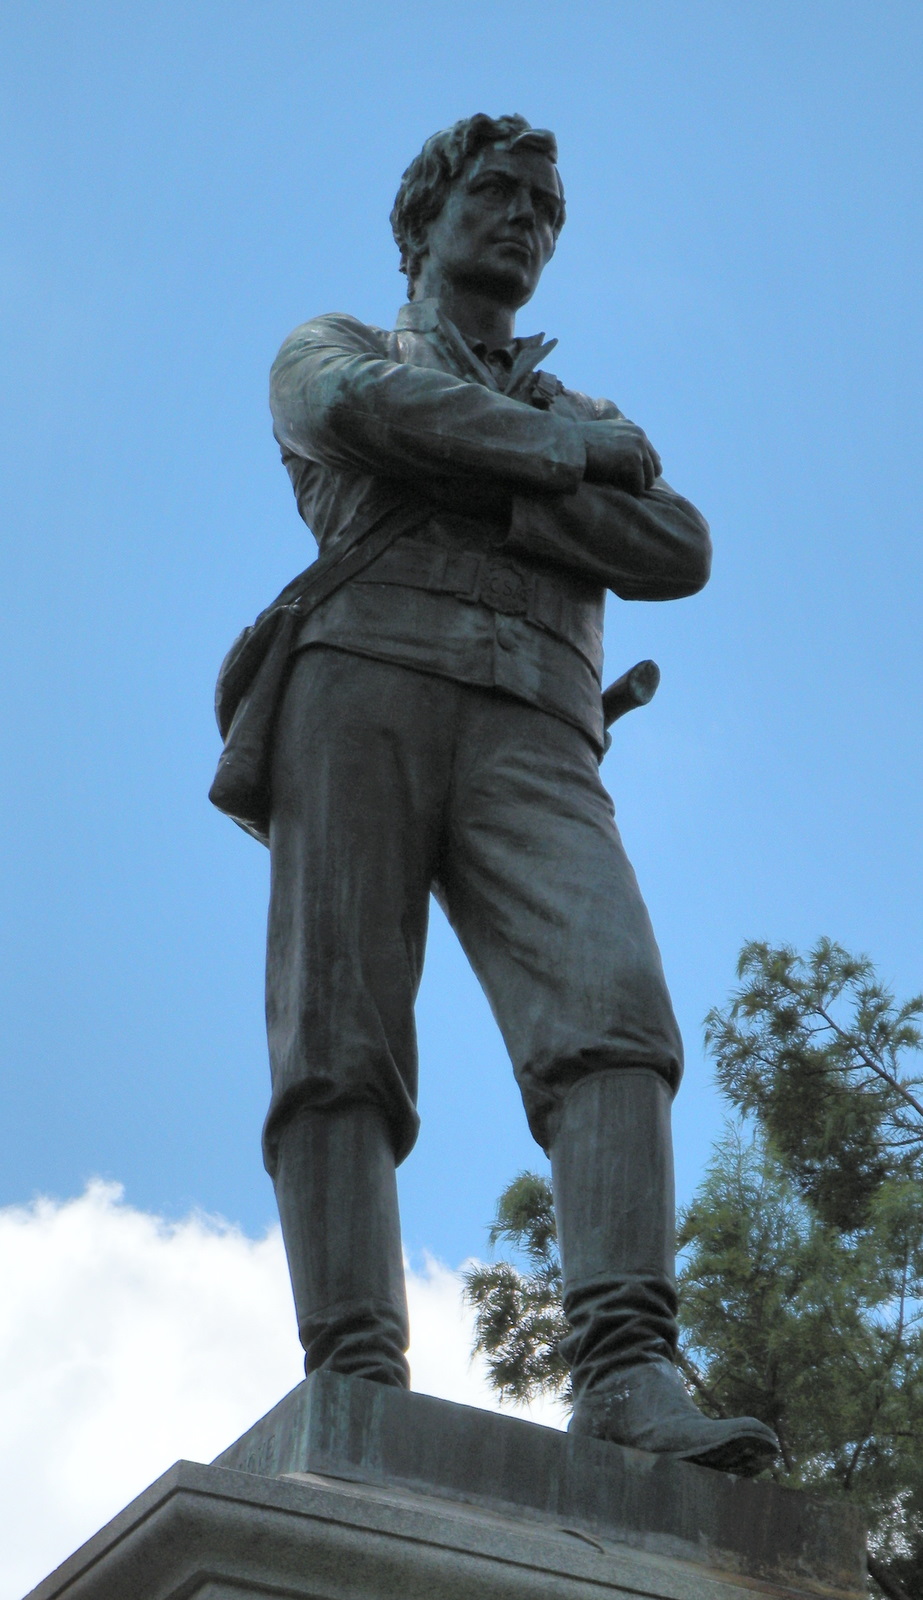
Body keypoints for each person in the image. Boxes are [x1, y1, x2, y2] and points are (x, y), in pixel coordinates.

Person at [217, 113, 778, 1473]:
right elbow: (361, 413)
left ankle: (629, 1371)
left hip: (535, 720)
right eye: (499, 192)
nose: (525, 216)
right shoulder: (338, 342)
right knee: (338, 1033)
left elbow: (677, 544)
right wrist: (561, 457)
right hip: (361, 683)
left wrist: (524, 469)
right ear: (426, 219)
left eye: (545, 204)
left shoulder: (577, 409)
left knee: (616, 1010)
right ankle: (355, 1370)